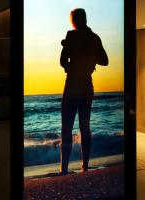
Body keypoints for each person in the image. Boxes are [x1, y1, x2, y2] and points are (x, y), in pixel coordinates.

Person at [59, 8, 108, 175]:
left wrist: (70, 66)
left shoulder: (71, 36)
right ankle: (85, 166)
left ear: (74, 21)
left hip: (72, 85)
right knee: (85, 127)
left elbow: (62, 61)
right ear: (85, 19)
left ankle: (64, 168)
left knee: (66, 128)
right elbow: (105, 61)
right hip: (87, 86)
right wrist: (90, 58)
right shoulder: (94, 38)